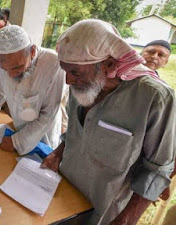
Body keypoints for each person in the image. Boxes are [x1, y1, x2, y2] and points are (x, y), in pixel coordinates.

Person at [41, 19, 176, 225]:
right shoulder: (81, 86)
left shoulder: (155, 98)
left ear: (109, 64)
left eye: (75, 72)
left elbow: (157, 171)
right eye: (65, 71)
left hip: (105, 211)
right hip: (62, 195)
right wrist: (58, 152)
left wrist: (126, 219)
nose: (68, 80)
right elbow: (77, 134)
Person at [0, 25, 65, 155]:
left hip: (42, 137)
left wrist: (17, 142)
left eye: (17, 67)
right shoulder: (3, 65)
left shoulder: (53, 64)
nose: (11, 75)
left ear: (32, 52)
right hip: (17, 129)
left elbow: (48, 114)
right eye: (5, 69)